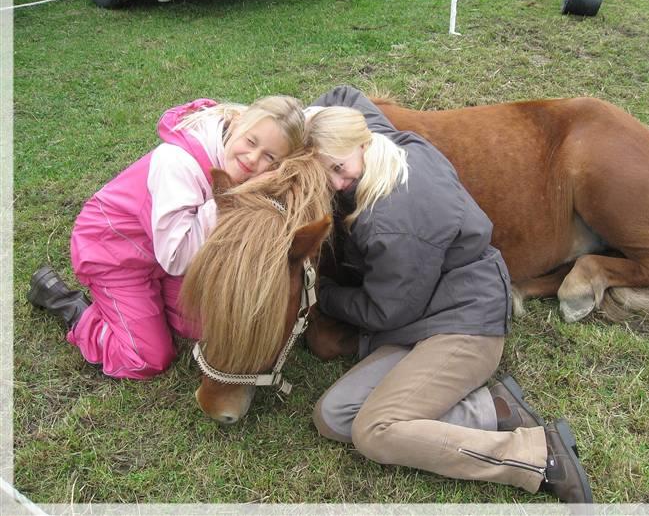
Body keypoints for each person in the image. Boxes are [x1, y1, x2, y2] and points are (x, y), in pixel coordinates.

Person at [304, 86, 593, 503]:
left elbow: (383, 312)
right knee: (332, 417)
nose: (337, 183)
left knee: (374, 433)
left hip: (466, 326)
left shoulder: (388, 223)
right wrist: (305, 118)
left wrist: (323, 295)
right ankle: (493, 410)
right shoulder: (399, 144)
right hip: (427, 317)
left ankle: (536, 457)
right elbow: (346, 94)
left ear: (360, 142)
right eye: (325, 174)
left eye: (337, 168)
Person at [27, 96, 306, 380]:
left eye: (270, 157)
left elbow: (314, 124)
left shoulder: (252, 135)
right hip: (114, 252)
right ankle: (69, 305)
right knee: (147, 357)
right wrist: (229, 202)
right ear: (237, 124)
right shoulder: (176, 163)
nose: (253, 159)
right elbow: (176, 259)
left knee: (207, 326)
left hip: (161, 250)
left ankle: (138, 308)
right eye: (251, 141)